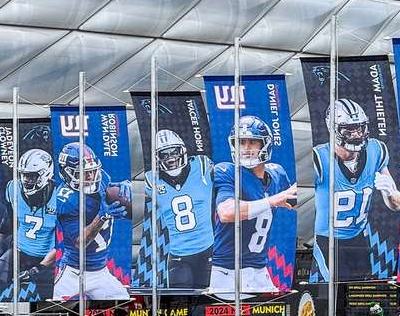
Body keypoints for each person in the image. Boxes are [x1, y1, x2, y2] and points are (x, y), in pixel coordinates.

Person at [311, 99, 400, 281]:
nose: (356, 134)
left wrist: (390, 192)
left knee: (362, 289)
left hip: (358, 239)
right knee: (336, 290)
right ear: (333, 129)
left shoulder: (376, 150)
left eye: (360, 128)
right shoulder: (319, 158)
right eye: (349, 129)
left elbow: (396, 205)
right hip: (328, 240)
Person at [210, 116, 297, 294]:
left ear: (265, 145)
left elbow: (292, 200)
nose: (246, 148)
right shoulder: (227, 172)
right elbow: (226, 212)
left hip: (259, 270)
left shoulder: (277, 174)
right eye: (241, 142)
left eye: (253, 142)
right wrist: (272, 200)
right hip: (227, 271)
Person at [52, 143, 132, 300]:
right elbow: (80, 242)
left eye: (92, 171)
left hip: (100, 271)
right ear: (67, 173)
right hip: (73, 272)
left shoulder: (102, 178)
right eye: (83, 173)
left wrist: (126, 187)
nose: (91, 177)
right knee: (52, 308)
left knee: (124, 305)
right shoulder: (66, 200)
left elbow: (111, 191)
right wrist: (102, 216)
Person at [144, 129, 214, 289]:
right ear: (157, 157)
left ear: (183, 150)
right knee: (180, 300)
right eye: (164, 154)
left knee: (208, 300)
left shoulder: (202, 166)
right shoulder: (151, 180)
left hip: (208, 249)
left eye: (174, 152)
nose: (170, 158)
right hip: (179, 255)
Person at [0, 149, 59, 301]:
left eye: (32, 175)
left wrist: (38, 269)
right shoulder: (13, 188)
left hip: (47, 258)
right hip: (20, 251)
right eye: (24, 174)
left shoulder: (58, 196)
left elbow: (62, 243)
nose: (26, 180)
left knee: (46, 298)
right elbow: (7, 222)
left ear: (46, 174)